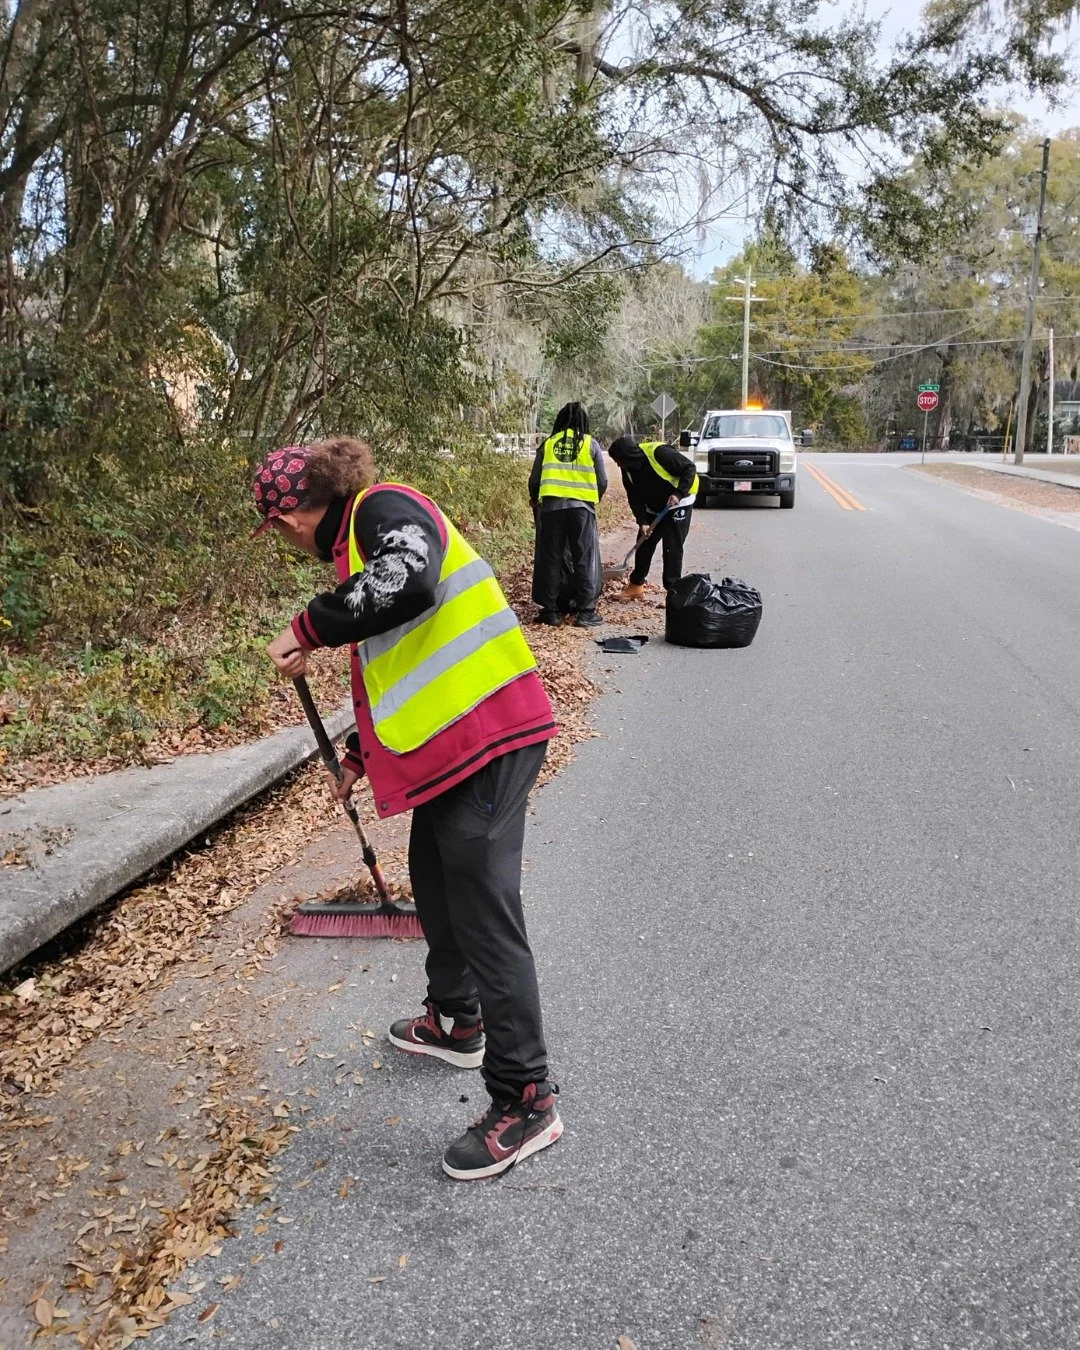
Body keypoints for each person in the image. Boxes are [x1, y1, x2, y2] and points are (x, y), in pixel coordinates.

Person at [253, 437, 562, 1180]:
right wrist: (359, 753)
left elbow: (410, 584)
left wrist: (307, 626)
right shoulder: (357, 548)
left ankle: (527, 1099)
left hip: (490, 735)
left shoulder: (382, 509)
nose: (286, 541)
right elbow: (401, 659)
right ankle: (457, 1019)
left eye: (279, 528)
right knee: (434, 877)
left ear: (292, 515)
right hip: (453, 745)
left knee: (484, 914)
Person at [528, 402, 607, 627]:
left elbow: (534, 479)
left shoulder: (548, 444)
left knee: (551, 558)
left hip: (551, 510)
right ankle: (586, 611)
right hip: (581, 509)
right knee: (583, 557)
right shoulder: (590, 444)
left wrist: (534, 499)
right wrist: (594, 498)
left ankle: (550, 611)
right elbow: (602, 480)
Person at [607, 432, 698, 600]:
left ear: (628, 455)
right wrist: (642, 521)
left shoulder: (660, 453)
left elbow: (689, 468)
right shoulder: (628, 470)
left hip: (679, 503)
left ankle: (673, 595)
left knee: (671, 547)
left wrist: (678, 493)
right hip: (654, 507)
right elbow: (634, 498)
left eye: (618, 460)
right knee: (644, 544)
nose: (618, 464)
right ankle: (636, 586)